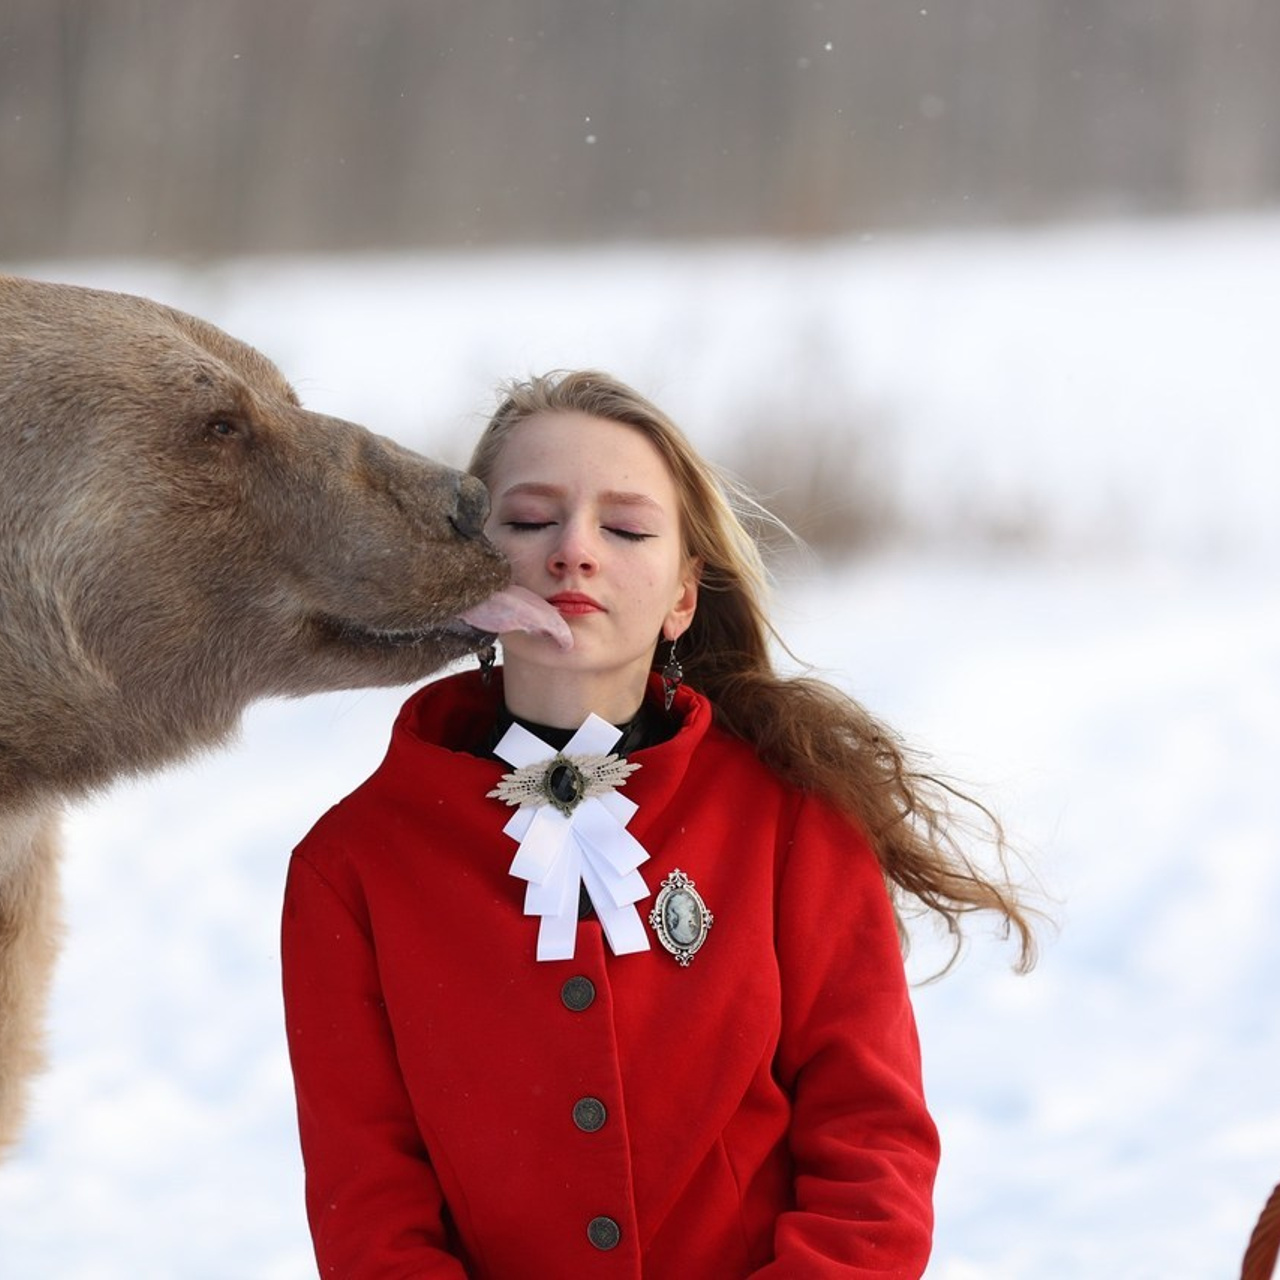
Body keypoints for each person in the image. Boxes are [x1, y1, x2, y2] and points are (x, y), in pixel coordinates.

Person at [280, 369, 1038, 1278]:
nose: (574, 551)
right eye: (531, 520)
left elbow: (871, 1152)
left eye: (627, 529)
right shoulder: (351, 866)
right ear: (468, 566)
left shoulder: (793, 815)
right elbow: (369, 1212)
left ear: (684, 594)